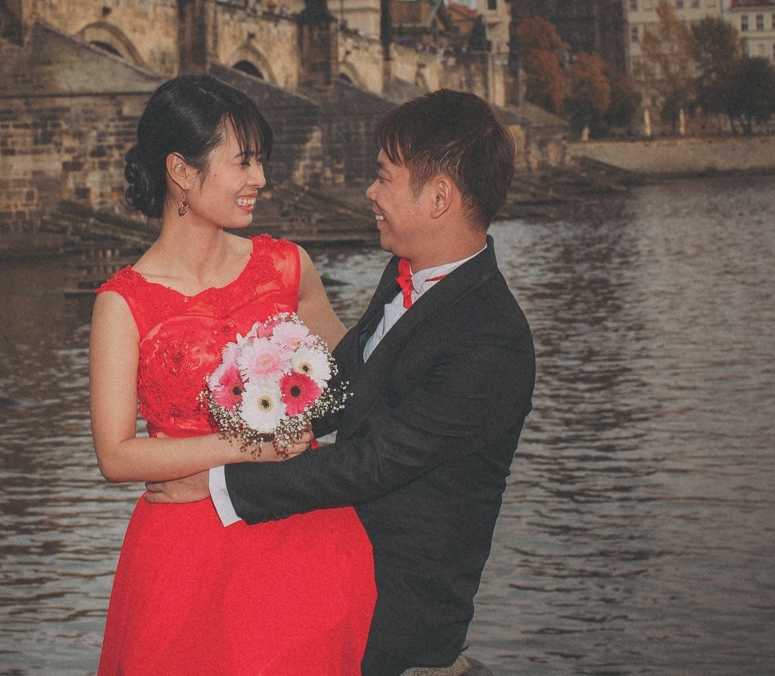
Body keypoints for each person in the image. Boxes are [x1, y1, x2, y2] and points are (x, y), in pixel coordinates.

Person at [148, 89, 535, 676]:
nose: (370, 194)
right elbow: (339, 393)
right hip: (331, 577)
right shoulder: (404, 273)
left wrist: (220, 483)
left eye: (383, 178)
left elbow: (373, 462)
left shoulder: (492, 338)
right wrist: (215, 411)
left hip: (398, 624)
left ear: (438, 197)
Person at [91, 73, 376, 675]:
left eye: (260, 161)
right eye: (243, 162)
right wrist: (244, 447)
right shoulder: (123, 304)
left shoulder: (287, 266)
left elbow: (355, 383)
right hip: (185, 552)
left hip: (301, 532)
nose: (260, 180)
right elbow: (116, 455)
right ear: (181, 171)